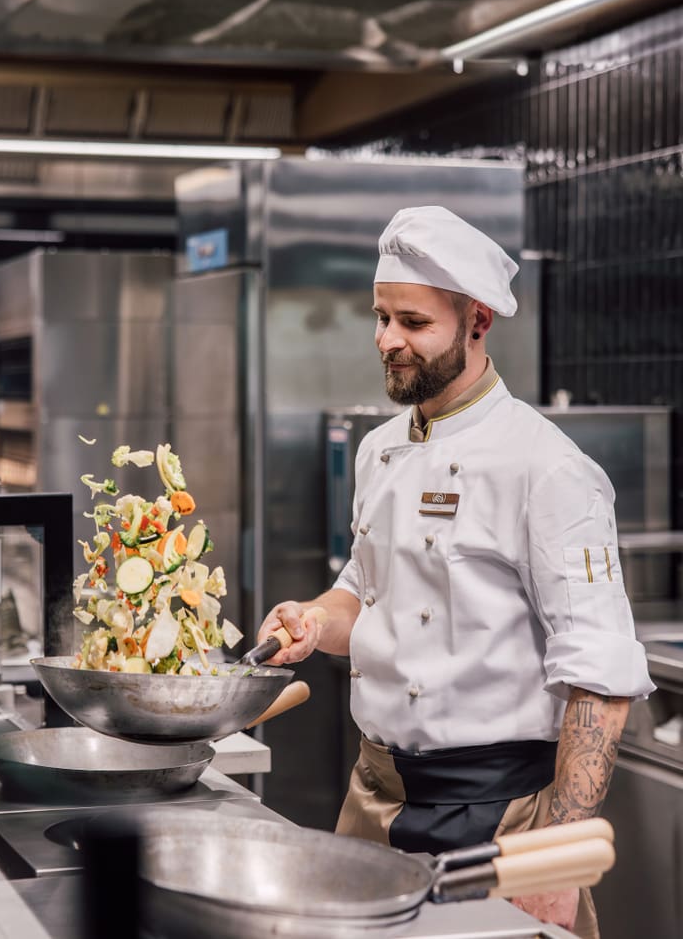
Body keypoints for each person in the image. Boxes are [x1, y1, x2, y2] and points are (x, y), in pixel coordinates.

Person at [257, 206, 654, 939]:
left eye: (413, 322)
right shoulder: (379, 449)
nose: (387, 341)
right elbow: (365, 591)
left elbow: (599, 679)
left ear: (478, 322)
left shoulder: (547, 467)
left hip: (498, 817)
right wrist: (314, 618)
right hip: (373, 797)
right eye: (380, 318)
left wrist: (557, 861)